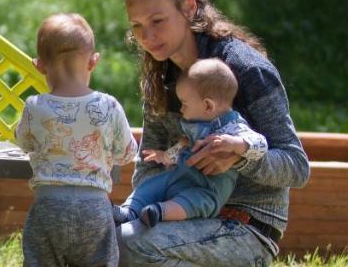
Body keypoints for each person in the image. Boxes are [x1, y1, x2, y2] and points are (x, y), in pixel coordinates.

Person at [118, 0, 309, 267]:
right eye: (137, 27)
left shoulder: (245, 69)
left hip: (248, 228)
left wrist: (242, 155)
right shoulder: (162, 74)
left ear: (188, 6)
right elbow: (148, 167)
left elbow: (296, 166)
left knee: (129, 248)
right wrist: (142, 205)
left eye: (157, 20)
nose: (147, 37)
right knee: (103, 242)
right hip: (185, 217)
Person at [14, 13, 138, 267]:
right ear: (93, 61)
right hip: (93, 209)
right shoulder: (108, 106)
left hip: (48, 208)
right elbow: (127, 153)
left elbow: (23, 141)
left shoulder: (35, 107)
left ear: (40, 66)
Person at [115, 58, 268, 227]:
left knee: (193, 203)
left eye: (185, 104)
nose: (181, 110)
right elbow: (184, 147)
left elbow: (261, 144)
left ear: (208, 106)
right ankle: (128, 211)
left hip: (205, 189)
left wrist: (236, 145)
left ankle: (158, 212)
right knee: (151, 185)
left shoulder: (234, 128)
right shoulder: (195, 124)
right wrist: (165, 156)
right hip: (178, 176)